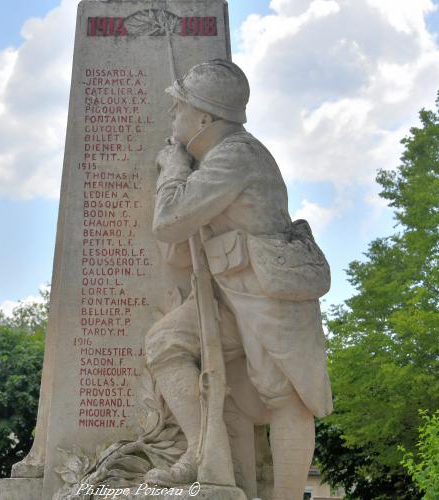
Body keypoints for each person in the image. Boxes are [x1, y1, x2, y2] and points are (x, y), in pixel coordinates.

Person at [144, 59, 333, 500]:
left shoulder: (236, 155)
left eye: (180, 108)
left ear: (204, 118)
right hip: (228, 291)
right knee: (165, 343)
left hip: (270, 290)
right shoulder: (215, 156)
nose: (173, 116)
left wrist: (174, 167)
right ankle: (203, 451)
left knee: (285, 396)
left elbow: (170, 220)